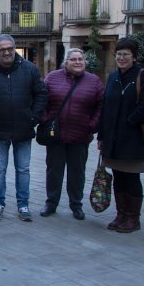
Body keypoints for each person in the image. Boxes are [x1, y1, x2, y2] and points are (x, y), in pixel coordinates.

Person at [0, 34, 47, 222]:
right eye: (2, 49)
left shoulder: (29, 69)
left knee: (23, 169)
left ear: (14, 48)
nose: (6, 52)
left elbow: (41, 94)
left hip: (24, 129)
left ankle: (23, 205)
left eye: (9, 48)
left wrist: (34, 117)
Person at [98, 38, 144, 233]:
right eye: (119, 54)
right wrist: (101, 135)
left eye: (126, 54)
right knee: (117, 176)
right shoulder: (113, 77)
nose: (122, 58)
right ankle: (121, 214)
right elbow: (105, 107)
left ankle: (133, 218)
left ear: (134, 56)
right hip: (113, 138)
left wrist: (130, 121)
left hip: (133, 137)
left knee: (132, 178)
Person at [40, 48, 104, 220]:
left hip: (80, 135)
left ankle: (76, 205)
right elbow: (41, 99)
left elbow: (101, 106)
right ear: (66, 62)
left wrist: (92, 126)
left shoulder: (94, 81)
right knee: (54, 171)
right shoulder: (52, 77)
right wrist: (46, 119)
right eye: (73, 59)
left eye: (80, 59)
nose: (77, 62)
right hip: (56, 135)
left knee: (77, 172)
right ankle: (51, 203)